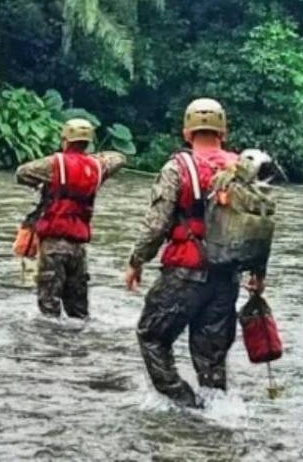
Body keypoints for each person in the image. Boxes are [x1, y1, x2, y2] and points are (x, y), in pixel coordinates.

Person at [124, 98, 266, 408]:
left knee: (151, 336)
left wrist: (136, 262)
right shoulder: (242, 170)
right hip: (227, 278)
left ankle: (186, 405)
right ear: (223, 131)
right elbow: (260, 225)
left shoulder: (177, 167)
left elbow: (157, 225)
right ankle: (215, 421)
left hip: (184, 274)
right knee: (212, 359)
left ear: (187, 133)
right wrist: (258, 275)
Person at [15, 118, 125, 318]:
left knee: (49, 310)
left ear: (65, 140)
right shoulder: (97, 167)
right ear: (88, 142)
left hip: (53, 246)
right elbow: (119, 158)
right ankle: (78, 348)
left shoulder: (54, 164)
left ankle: (51, 347)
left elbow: (21, 173)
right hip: (79, 250)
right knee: (79, 312)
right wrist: (91, 160)